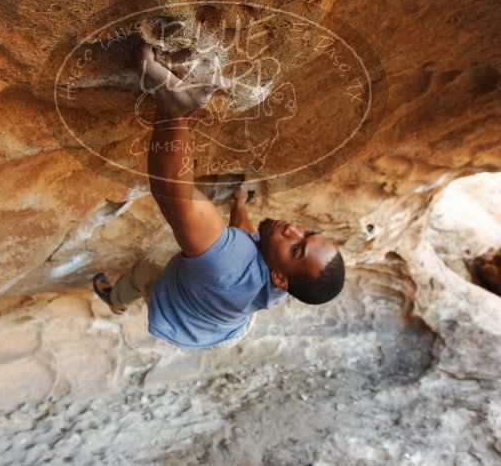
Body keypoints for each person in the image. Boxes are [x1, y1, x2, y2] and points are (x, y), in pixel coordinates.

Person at [93, 43, 345, 349]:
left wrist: (174, 113)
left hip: (182, 319)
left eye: (296, 248)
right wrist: (238, 204)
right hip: (230, 322)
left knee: (143, 271)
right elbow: (249, 239)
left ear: (279, 279)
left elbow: (173, 193)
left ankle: (115, 300)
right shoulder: (282, 280)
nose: (292, 229)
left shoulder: (230, 267)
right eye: (307, 232)